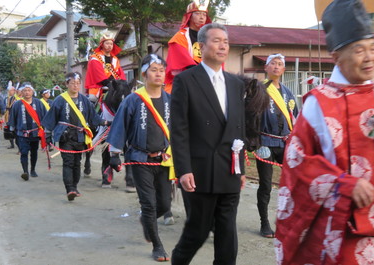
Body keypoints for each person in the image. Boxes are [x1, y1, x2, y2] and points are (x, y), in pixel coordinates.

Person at [274, 1, 374, 264]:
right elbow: (296, 163)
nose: (370, 57)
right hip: (340, 230)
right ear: (336, 57)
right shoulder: (318, 103)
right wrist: (343, 183)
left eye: (372, 48)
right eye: (359, 50)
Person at [170, 23, 247, 265]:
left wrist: (241, 168)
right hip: (199, 172)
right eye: (216, 40)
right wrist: (183, 170)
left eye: (225, 41)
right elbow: (179, 129)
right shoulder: (186, 80)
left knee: (227, 235)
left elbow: (239, 127)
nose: (223, 45)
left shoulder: (236, 84)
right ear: (200, 47)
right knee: (198, 232)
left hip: (229, 169)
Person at [107, 54, 174, 262]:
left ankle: (147, 221)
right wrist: (114, 153)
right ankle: (157, 245)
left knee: (165, 203)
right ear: (144, 73)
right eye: (154, 70)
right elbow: (120, 127)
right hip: (139, 157)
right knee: (149, 204)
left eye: (161, 70)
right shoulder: (133, 100)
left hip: (164, 159)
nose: (158, 74)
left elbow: (181, 130)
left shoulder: (171, 100)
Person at [42, 72, 109, 201]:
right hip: (65, 135)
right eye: (72, 83)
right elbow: (51, 118)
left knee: (77, 163)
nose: (75, 86)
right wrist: (48, 133)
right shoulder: (60, 100)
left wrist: (106, 122)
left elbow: (93, 117)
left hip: (80, 136)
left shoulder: (85, 100)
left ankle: (75, 187)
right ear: (66, 84)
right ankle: (69, 188)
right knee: (68, 162)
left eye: (78, 83)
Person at [255, 53, 298, 238]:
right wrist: (253, 142)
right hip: (264, 141)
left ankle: (289, 220)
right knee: (265, 185)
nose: (276, 67)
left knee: (292, 182)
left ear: (283, 70)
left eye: (280, 64)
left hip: (284, 142)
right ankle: (264, 223)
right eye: (273, 63)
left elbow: (295, 117)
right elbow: (250, 117)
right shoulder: (259, 90)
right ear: (266, 68)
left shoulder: (288, 93)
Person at [164, 0, 211, 94]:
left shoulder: (209, 37)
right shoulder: (180, 37)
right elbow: (182, 61)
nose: (202, 17)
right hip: (185, 80)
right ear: (189, 16)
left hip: (206, 79)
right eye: (197, 13)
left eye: (204, 14)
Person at [8, 83, 47, 181]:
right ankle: (25, 171)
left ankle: (33, 169)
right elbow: (13, 117)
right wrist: (11, 131)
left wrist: (46, 130)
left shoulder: (38, 103)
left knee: (34, 152)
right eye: (25, 90)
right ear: (22, 92)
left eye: (29, 90)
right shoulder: (17, 104)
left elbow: (45, 116)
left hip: (35, 133)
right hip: (22, 133)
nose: (27, 92)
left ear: (32, 92)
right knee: (24, 152)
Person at [85, 33, 126, 103]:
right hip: (98, 87)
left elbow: (120, 73)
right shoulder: (95, 58)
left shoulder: (115, 59)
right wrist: (110, 84)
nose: (109, 46)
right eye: (107, 43)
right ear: (102, 44)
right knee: (92, 100)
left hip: (114, 86)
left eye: (111, 44)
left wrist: (122, 83)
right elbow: (98, 75)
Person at [4, 82, 20, 149]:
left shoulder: (16, 98)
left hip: (14, 116)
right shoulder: (6, 98)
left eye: (13, 90)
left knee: (15, 131)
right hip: (8, 115)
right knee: (9, 131)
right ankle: (11, 144)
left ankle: (19, 145)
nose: (12, 91)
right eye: (11, 90)